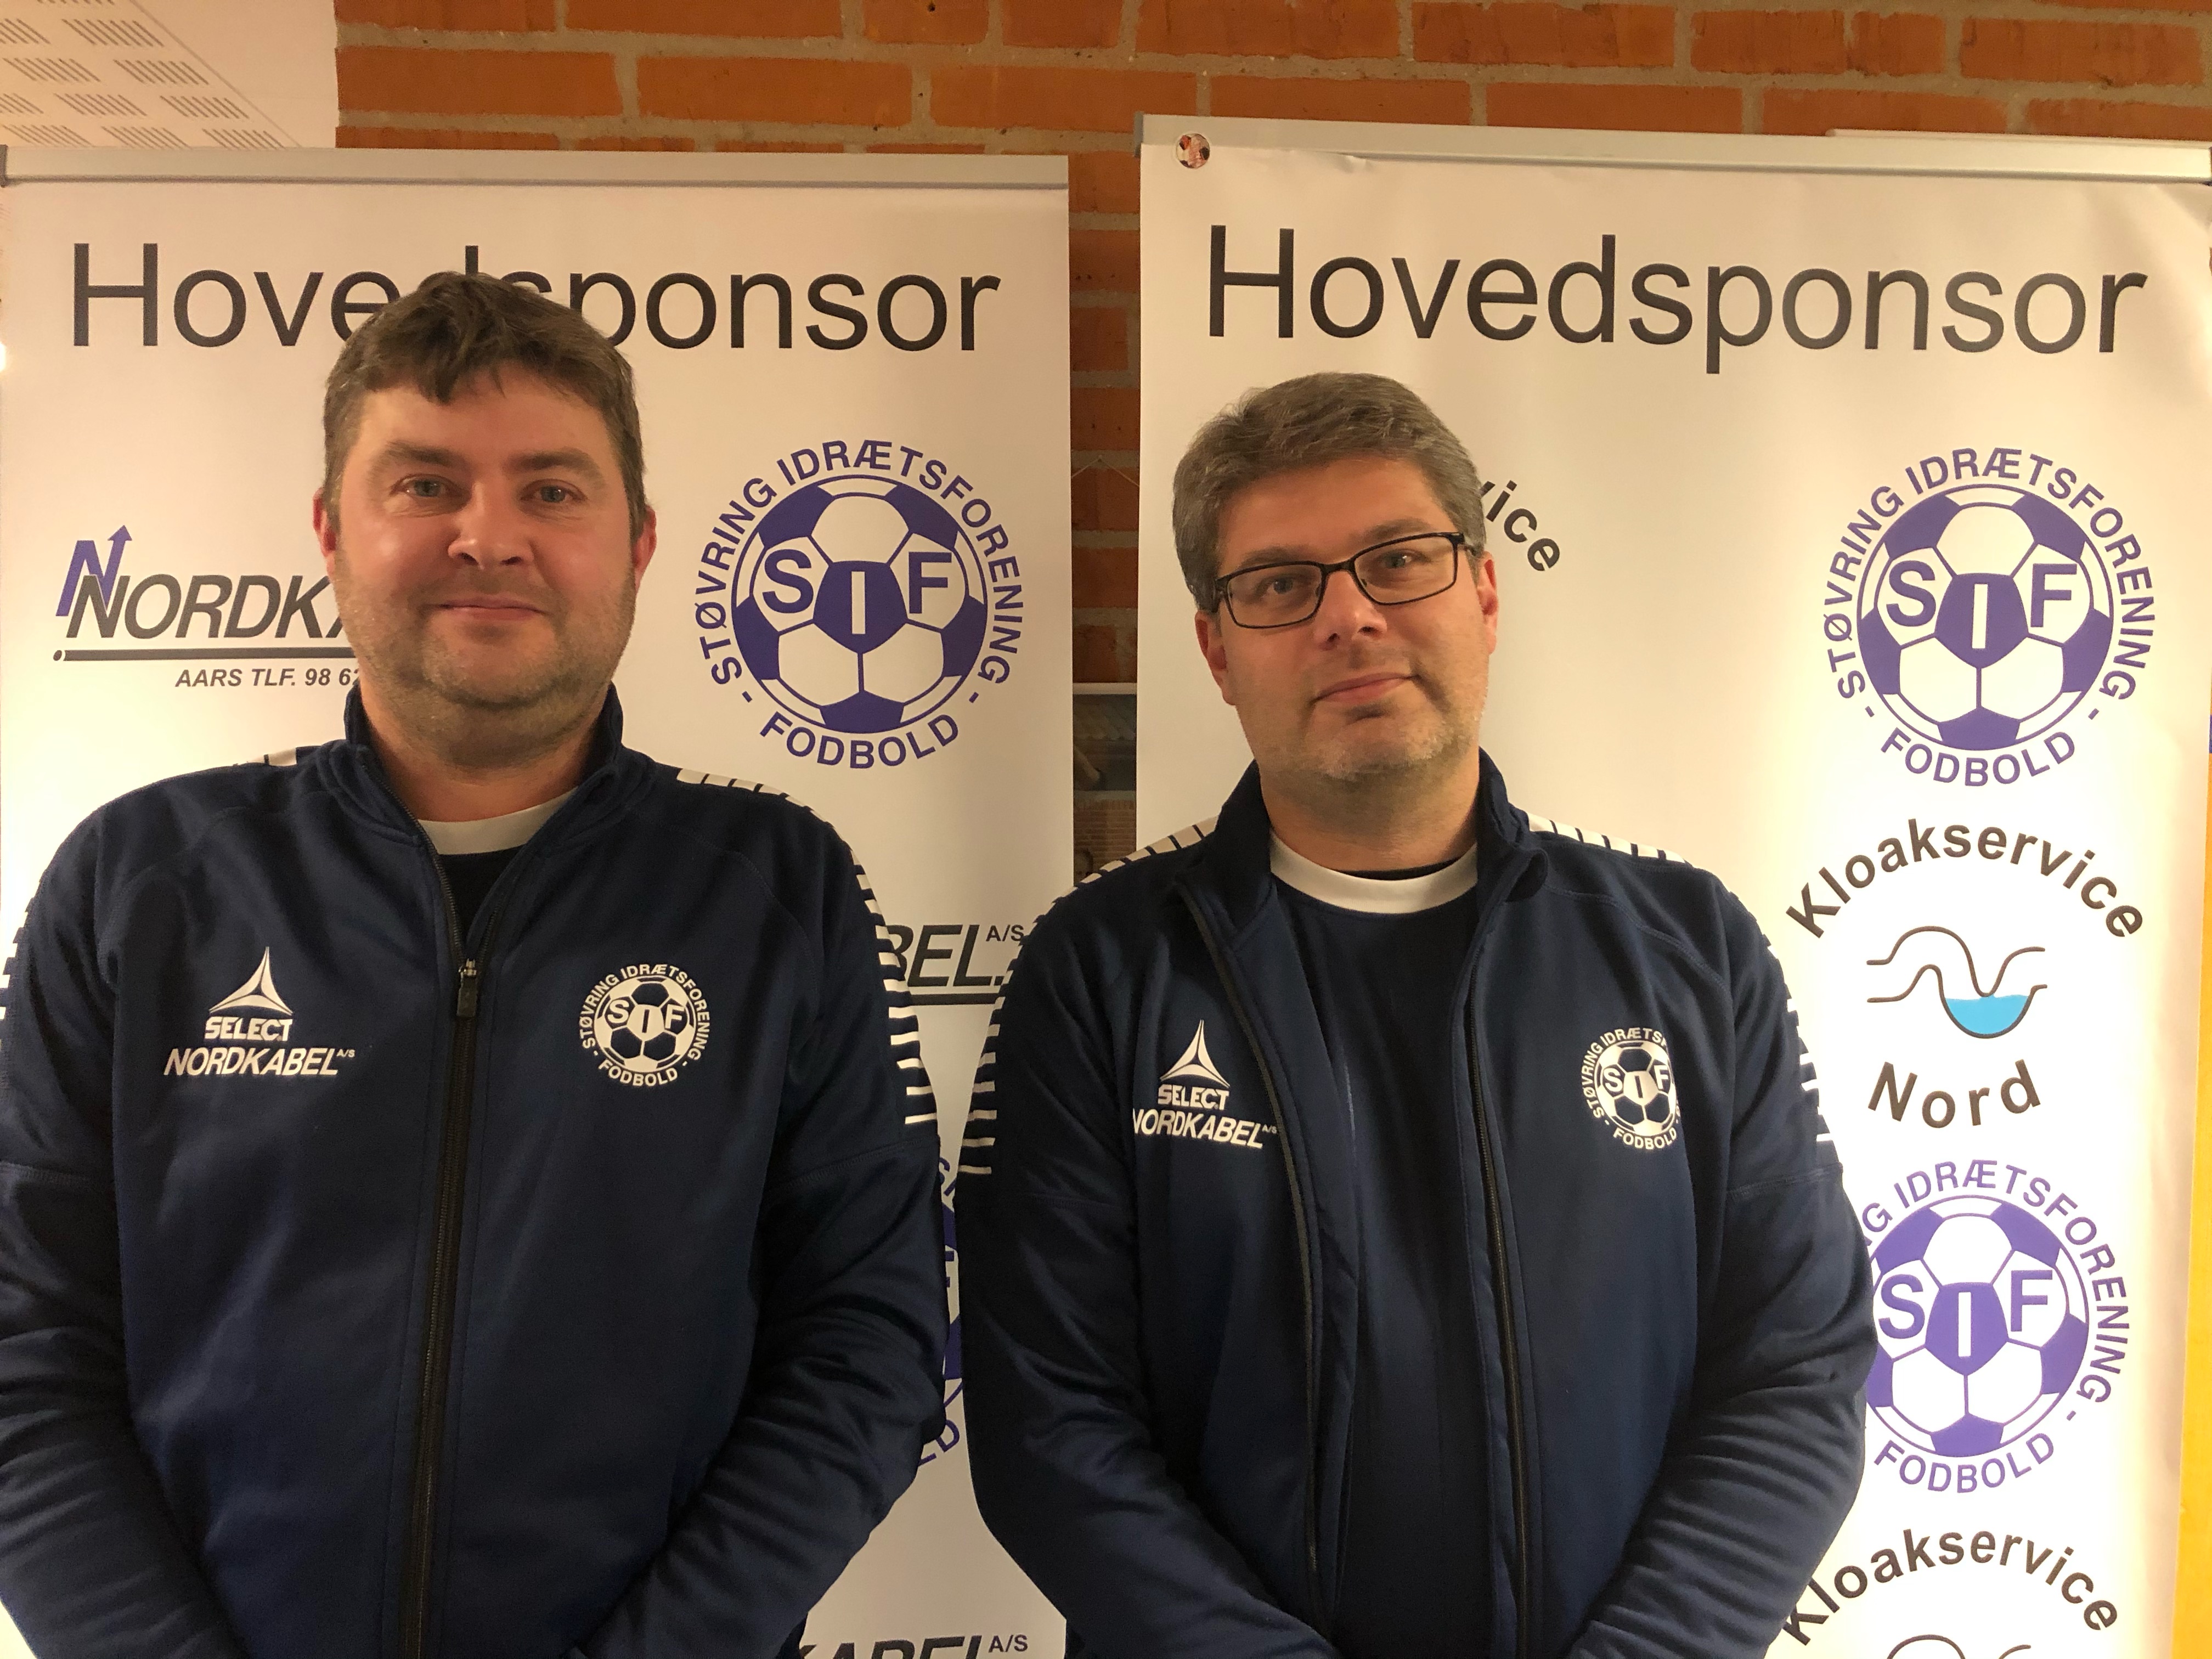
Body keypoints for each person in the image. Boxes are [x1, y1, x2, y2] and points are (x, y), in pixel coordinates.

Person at [0, 272, 946, 1659]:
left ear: (639, 543)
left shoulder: (773, 890)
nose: (488, 536)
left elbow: (869, 1345)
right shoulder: (140, 883)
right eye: (425, 484)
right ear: (332, 532)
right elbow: (24, 1351)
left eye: (552, 490)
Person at [958, 371, 1874, 1659]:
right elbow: (1049, 1424)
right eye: (1281, 584)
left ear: (1484, 595)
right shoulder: (1101, 972)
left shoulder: (1689, 950)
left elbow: (1797, 1366)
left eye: (1399, 560)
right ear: (1218, 652)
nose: (1350, 616)